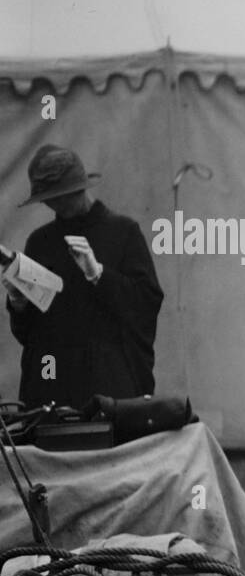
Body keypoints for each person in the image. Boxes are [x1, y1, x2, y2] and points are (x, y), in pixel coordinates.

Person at [6, 145, 163, 409]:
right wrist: (18, 302)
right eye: (48, 199)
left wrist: (99, 275)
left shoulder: (123, 232)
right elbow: (29, 334)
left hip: (107, 381)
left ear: (79, 189)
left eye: (60, 197)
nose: (53, 205)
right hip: (50, 379)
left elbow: (145, 305)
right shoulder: (40, 242)